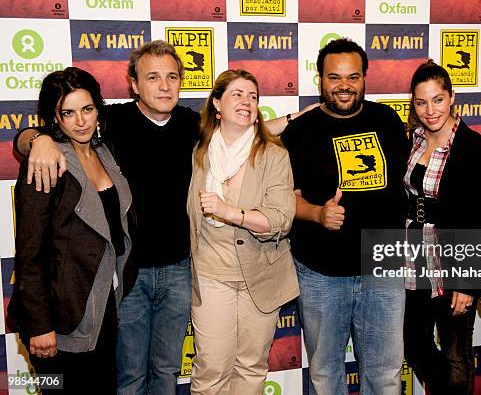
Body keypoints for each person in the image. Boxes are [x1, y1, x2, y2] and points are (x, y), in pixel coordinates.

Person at [13, 40, 302, 394]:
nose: (165, 85)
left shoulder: (193, 126)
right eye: (153, 77)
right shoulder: (110, 122)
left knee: (166, 371)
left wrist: (291, 120)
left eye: (172, 77)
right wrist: (36, 139)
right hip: (128, 275)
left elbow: (241, 131)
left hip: (182, 271)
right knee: (130, 376)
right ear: (134, 83)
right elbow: (61, 123)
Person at [281, 38, 409, 394]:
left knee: (384, 375)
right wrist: (317, 214)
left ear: (365, 77)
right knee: (325, 374)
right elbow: (285, 202)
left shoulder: (387, 119)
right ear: (320, 79)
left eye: (353, 76)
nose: (344, 85)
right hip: (322, 274)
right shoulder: (301, 131)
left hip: (383, 267)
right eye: (334, 77)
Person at [8, 67, 133, 393]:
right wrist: (39, 326)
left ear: (98, 110)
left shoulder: (106, 152)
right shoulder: (46, 162)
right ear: (55, 116)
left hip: (102, 308)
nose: (81, 121)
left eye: (88, 109)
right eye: (69, 112)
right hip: (57, 320)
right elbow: (29, 252)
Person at [186, 69, 298, 394]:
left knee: (251, 368)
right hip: (211, 274)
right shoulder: (198, 153)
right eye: (237, 94)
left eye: (253, 96)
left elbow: (280, 219)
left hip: (261, 276)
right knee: (211, 369)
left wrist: (228, 212)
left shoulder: (274, 155)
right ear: (217, 103)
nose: (247, 101)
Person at [402, 60, 481, 394]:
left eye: (437, 99)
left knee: (456, 354)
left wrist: (469, 283)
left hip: (453, 261)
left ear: (452, 97)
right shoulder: (413, 141)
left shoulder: (474, 147)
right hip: (411, 259)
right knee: (413, 343)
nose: (430, 110)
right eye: (421, 102)